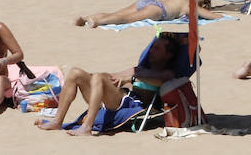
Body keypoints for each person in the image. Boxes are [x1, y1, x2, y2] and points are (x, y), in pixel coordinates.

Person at [35, 32, 187, 134]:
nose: (151, 51)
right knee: (76, 73)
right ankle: (57, 121)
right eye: (152, 47)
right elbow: (114, 76)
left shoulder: (167, 73)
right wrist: (90, 77)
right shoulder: (138, 69)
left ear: (168, 55)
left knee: (100, 78)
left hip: (130, 103)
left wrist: (131, 79)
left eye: (156, 49)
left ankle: (87, 127)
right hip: (114, 98)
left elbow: (160, 81)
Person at [74, 0, 219, 28]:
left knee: (118, 13)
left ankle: (87, 18)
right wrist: (222, 15)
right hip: (159, 10)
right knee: (127, 19)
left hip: (148, 2)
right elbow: (211, 16)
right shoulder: (189, 5)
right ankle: (97, 21)